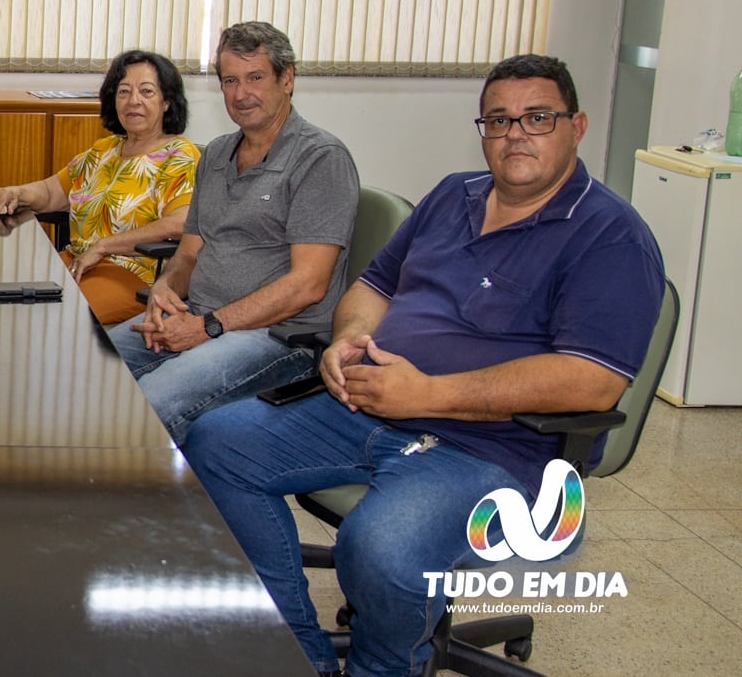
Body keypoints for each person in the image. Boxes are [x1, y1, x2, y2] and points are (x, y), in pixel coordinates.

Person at [181, 55, 665, 677]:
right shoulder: (452, 195)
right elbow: (371, 287)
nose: (515, 133)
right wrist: (348, 340)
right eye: (499, 120)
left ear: (578, 126)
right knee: (215, 443)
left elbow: (590, 380)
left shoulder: (610, 235)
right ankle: (298, 656)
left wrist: (426, 395)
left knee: (379, 546)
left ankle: (387, 666)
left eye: (537, 118)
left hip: (496, 449)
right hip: (370, 404)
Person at [104, 21, 358, 442]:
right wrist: (167, 289)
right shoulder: (218, 153)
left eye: (256, 78)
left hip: (276, 339)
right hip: (201, 318)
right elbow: (187, 255)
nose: (241, 94)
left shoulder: (320, 158)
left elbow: (307, 286)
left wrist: (207, 328)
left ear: (287, 78)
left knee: (147, 408)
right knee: (85, 371)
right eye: (230, 81)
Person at [0, 50, 199, 324]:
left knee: (50, 320)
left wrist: (105, 246)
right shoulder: (103, 151)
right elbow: (50, 193)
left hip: (133, 273)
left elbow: (180, 224)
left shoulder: (179, 156)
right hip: (77, 262)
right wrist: (16, 192)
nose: (134, 101)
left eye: (147, 92)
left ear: (166, 101)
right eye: (124, 92)